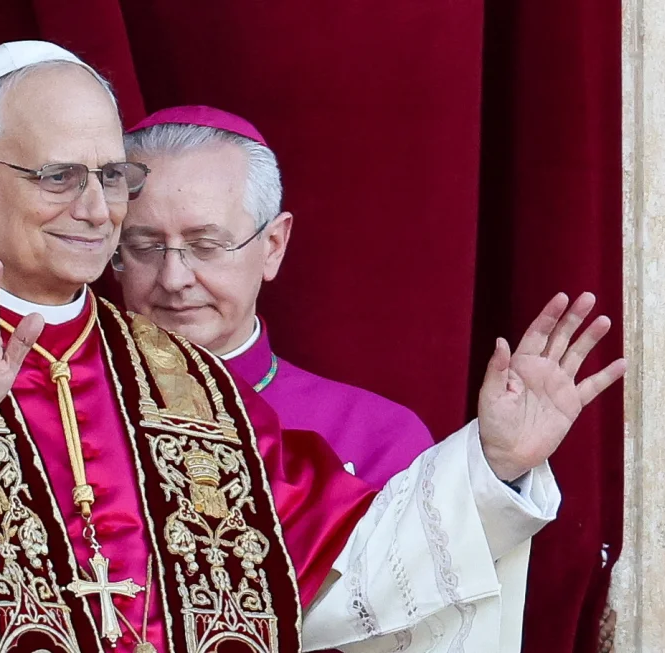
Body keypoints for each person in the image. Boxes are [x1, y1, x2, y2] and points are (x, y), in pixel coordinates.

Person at [0, 41, 625, 653]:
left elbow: (337, 563)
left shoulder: (183, 377)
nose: (95, 208)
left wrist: (492, 466)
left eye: (110, 175)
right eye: (56, 176)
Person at [115, 105, 435, 489]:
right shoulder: (68, 415)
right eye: (145, 246)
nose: (174, 278)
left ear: (273, 246)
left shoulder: (377, 438)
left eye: (206, 245)